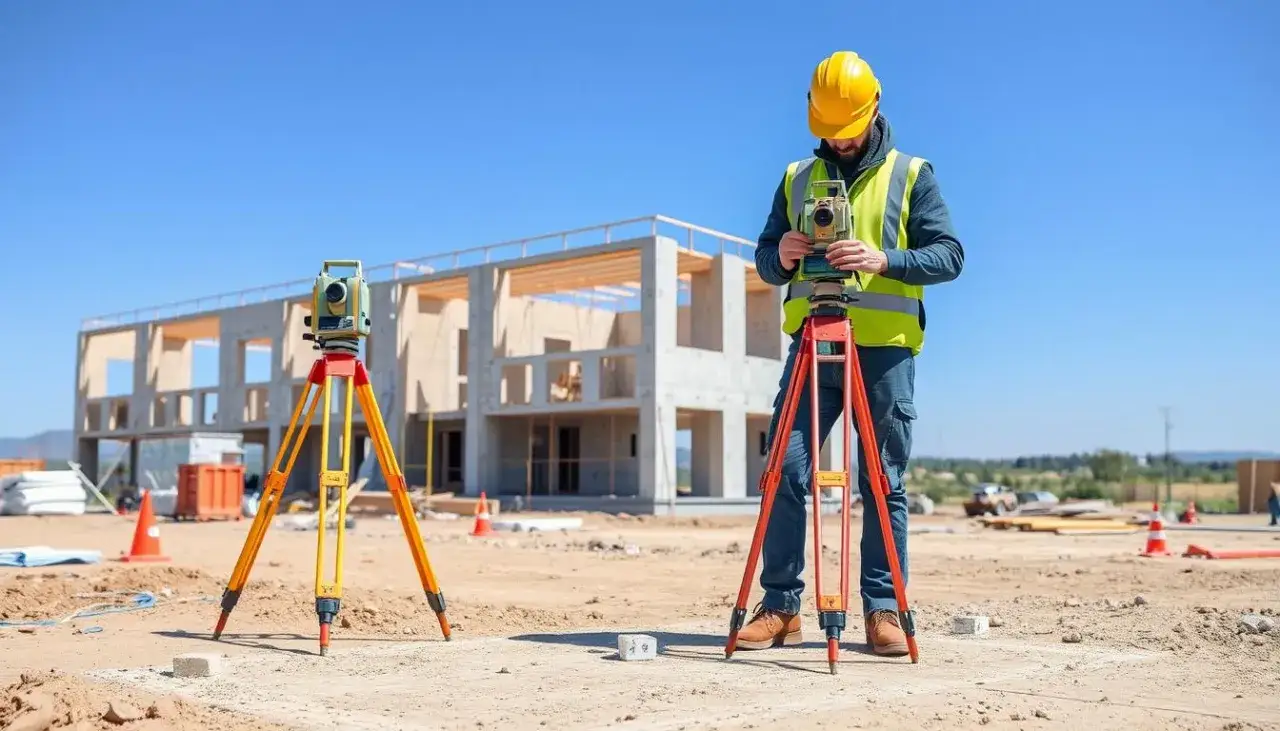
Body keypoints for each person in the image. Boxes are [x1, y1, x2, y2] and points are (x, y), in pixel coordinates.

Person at [740, 51, 964, 656]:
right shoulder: (795, 179)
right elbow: (764, 261)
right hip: (813, 339)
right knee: (784, 469)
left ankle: (883, 608)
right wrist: (781, 254)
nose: (837, 141)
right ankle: (781, 607)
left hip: (885, 352)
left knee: (882, 479)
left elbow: (950, 256)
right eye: (827, 131)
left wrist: (882, 259)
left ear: (873, 111)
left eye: (847, 129)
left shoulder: (912, 174)